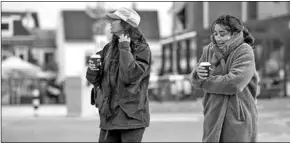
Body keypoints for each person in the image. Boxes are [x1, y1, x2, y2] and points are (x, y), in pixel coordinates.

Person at [189, 15, 259, 142]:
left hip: (238, 116)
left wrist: (205, 82)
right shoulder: (209, 49)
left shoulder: (244, 50)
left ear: (235, 34)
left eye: (222, 34)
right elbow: (195, 80)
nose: (218, 38)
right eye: (215, 33)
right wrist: (197, 74)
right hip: (213, 113)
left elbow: (235, 83)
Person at [86, 7, 151, 142]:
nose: (110, 22)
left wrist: (124, 47)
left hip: (132, 118)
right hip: (109, 117)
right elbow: (94, 79)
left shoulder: (142, 49)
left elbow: (130, 76)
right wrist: (92, 69)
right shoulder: (107, 48)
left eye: (114, 20)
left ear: (126, 23)